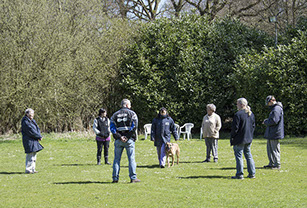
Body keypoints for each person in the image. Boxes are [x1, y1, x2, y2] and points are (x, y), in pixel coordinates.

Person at [110, 99, 140, 183]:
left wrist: (120, 137)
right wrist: (127, 137)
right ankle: (133, 178)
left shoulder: (115, 115)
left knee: (116, 159)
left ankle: (115, 178)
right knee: (131, 159)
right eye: (130, 105)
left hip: (118, 140)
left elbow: (112, 128)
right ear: (127, 105)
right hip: (129, 139)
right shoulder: (132, 114)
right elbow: (134, 127)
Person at [230, 98, 256, 179]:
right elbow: (253, 126)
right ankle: (252, 173)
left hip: (240, 139)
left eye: (237, 104)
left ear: (241, 105)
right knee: (248, 155)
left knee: (239, 156)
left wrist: (232, 137)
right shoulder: (251, 114)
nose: (237, 105)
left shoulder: (238, 114)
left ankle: (240, 174)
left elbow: (235, 128)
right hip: (248, 138)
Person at [263, 95, 284, 170]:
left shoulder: (276, 109)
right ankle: (271, 163)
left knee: (274, 149)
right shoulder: (275, 108)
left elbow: (274, 121)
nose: (268, 105)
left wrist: (266, 122)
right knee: (270, 149)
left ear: (271, 101)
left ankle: (277, 164)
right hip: (272, 132)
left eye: (268, 103)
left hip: (275, 132)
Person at [21, 108, 44, 174]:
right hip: (29, 140)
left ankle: (33, 169)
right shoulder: (25, 122)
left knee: (34, 155)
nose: (32, 116)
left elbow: (37, 129)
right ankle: (28, 169)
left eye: (32, 114)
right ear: (27, 114)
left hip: (34, 139)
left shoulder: (32, 121)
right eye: (30, 115)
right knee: (30, 155)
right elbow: (30, 131)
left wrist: (39, 135)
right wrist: (38, 136)